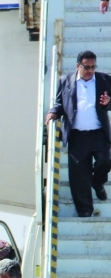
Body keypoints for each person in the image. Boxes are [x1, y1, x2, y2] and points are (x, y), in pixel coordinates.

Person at [45, 50, 111, 218]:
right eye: (86, 67)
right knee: (79, 177)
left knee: (105, 160)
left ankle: (97, 182)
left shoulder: (105, 80)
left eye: (93, 67)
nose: (90, 70)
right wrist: (53, 113)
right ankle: (85, 211)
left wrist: (109, 102)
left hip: (99, 133)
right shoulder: (65, 81)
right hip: (77, 135)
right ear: (78, 66)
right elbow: (60, 102)